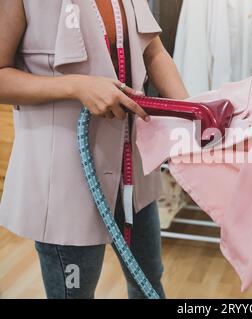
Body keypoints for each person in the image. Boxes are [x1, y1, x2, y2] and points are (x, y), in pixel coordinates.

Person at [0, 0, 189, 299]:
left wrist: (188, 114)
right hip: (66, 184)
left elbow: (153, 51)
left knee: (148, 281)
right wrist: (76, 87)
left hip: (132, 175)